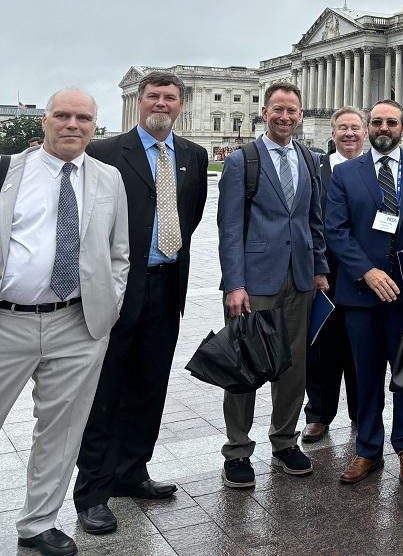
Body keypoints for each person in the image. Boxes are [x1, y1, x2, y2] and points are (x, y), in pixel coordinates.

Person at [73, 73, 208, 536]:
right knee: (105, 388)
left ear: (181, 104)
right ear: (139, 100)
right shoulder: (106, 152)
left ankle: (132, 471)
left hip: (166, 285)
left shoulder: (194, 155)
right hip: (117, 287)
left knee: (150, 386)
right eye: (154, 96)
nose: (162, 104)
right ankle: (92, 490)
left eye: (170, 97)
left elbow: (189, 221)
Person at [0, 90, 130, 556]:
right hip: (6, 322)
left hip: (76, 324)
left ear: (95, 125)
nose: (72, 124)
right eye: (62, 115)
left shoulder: (108, 178)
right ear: (45, 121)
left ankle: (38, 522)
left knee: (61, 430)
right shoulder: (8, 170)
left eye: (83, 117)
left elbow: (120, 251)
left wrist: (108, 306)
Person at [324, 101, 403, 485]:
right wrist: (367, 271)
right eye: (376, 121)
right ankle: (367, 450)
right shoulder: (345, 173)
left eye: (391, 122)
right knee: (366, 374)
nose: (383, 127)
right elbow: (336, 230)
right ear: (367, 126)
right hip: (361, 293)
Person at [216, 81, 329, 489]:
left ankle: (284, 441)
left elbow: (313, 219)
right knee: (245, 364)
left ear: (300, 115)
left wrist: (319, 269)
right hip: (255, 280)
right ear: (264, 113)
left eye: (292, 111)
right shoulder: (242, 160)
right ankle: (238, 450)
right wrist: (234, 284)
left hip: (299, 277)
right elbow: (229, 227)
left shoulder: (310, 158)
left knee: (293, 366)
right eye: (278, 109)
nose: (285, 117)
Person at [302, 107, 366, 445]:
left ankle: (360, 414)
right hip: (325, 275)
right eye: (343, 128)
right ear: (332, 132)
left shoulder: (375, 171)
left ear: (365, 132)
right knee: (322, 349)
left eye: (355, 127)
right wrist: (316, 267)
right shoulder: (317, 169)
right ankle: (319, 415)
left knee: (360, 347)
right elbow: (307, 221)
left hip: (362, 276)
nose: (349, 134)